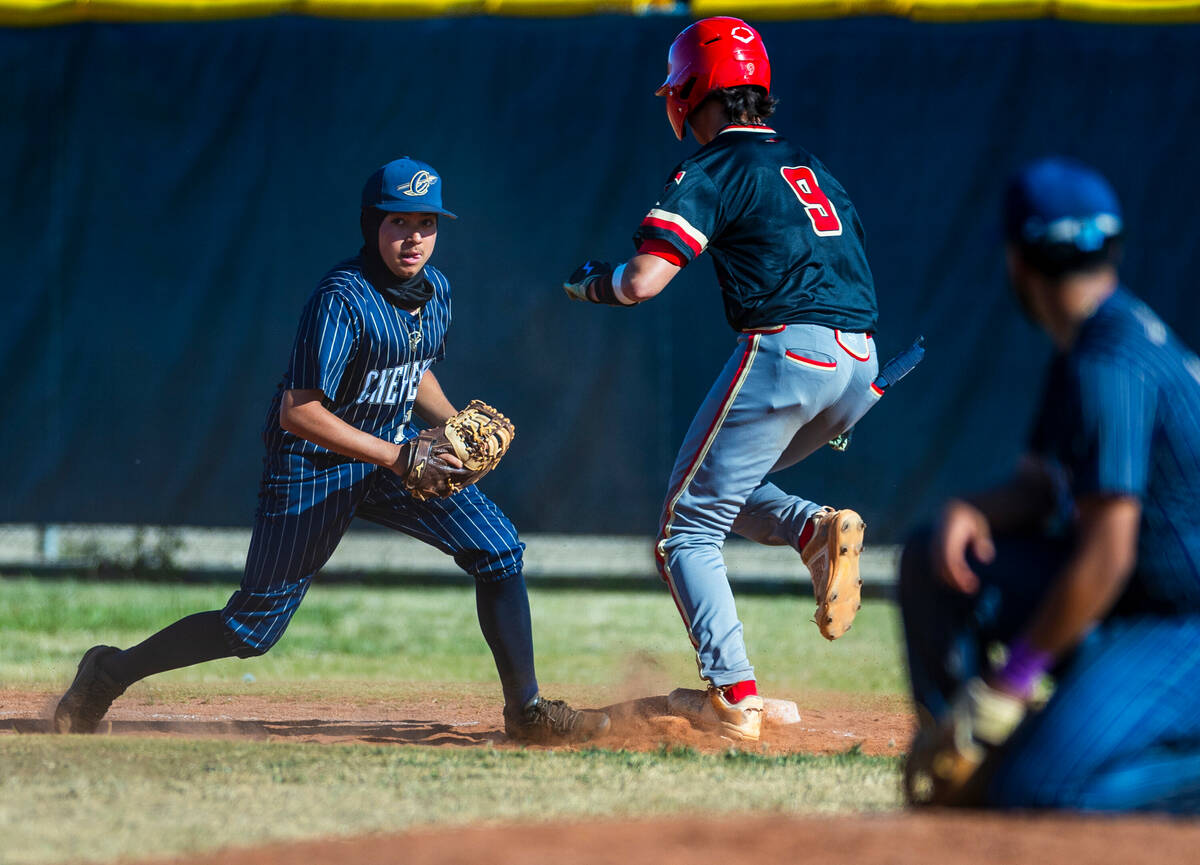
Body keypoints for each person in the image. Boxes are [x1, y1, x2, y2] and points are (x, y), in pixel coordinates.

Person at [55, 157, 610, 746]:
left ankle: (525, 712)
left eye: (426, 223)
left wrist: (452, 424)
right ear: (372, 224)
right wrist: (399, 457)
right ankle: (109, 671)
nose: (413, 237)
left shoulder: (437, 291)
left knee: (499, 552)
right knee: (251, 630)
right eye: (399, 222)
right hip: (313, 466)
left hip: (397, 456)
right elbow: (300, 410)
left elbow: (412, 371)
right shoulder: (341, 298)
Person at [563, 17, 883, 742]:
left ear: (689, 92)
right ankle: (813, 527)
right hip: (861, 365)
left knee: (684, 532)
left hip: (787, 351)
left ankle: (733, 697)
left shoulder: (715, 167)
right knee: (720, 492)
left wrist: (591, 285)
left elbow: (645, 279)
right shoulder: (816, 168)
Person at [900, 156, 1200, 812]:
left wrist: (1008, 685)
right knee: (931, 556)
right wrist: (973, 509)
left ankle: (1014, 754)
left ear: (1018, 264)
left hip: (1181, 624)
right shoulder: (1090, 346)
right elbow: (1040, 487)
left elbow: (1108, 554)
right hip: (1142, 604)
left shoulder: (1111, 360)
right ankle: (965, 762)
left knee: (1046, 790)